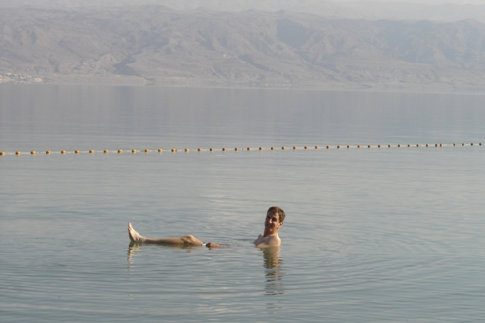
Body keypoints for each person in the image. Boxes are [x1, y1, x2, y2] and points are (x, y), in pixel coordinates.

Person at [128, 206, 285, 248]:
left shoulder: (273, 240)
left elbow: (250, 250)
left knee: (188, 240)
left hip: (223, 249)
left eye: (274, 219)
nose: (269, 221)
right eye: (268, 217)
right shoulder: (262, 236)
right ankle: (143, 240)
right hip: (223, 247)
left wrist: (219, 246)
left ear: (280, 224)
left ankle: (142, 240)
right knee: (188, 239)